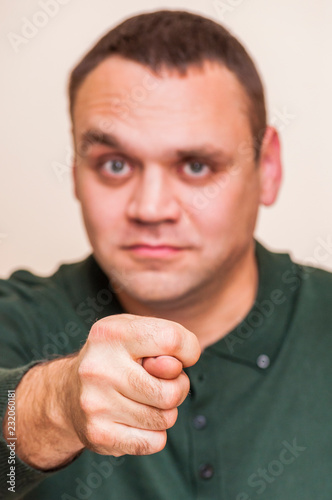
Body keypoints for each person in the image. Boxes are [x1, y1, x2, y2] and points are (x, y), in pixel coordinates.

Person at [1, 9, 332, 500]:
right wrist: (50, 408)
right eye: (114, 164)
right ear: (74, 170)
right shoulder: (17, 319)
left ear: (268, 168)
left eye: (196, 165)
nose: (151, 208)